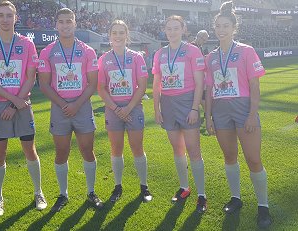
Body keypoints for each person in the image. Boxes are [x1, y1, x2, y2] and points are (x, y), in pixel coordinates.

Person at [0, 1, 47, 217]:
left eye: (9, 15)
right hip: (0, 105)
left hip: (23, 103)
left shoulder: (27, 44)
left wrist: (16, 104)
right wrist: (13, 102)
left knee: (30, 150)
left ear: (16, 18)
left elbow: (30, 77)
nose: (5, 19)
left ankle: (38, 192)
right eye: (1, 15)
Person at [204, 1, 271, 228]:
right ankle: (236, 198)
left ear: (234, 28)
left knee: (253, 159)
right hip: (221, 112)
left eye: (226, 26)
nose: (221, 30)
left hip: (243, 110)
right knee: (229, 157)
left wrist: (252, 114)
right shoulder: (211, 57)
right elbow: (209, 90)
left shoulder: (246, 51)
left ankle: (263, 206)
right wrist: (208, 116)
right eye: (218, 26)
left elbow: (254, 86)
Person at [38, 8, 103, 212]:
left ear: (75, 23)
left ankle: (91, 192)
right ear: (56, 25)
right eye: (61, 22)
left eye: (69, 21)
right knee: (61, 152)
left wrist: (76, 104)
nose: (65, 25)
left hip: (82, 107)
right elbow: (44, 84)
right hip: (59, 109)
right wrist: (64, 104)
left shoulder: (87, 51)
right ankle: (63, 194)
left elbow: (93, 84)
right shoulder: (47, 51)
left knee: (87, 150)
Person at [152, 15, 207, 213]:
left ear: (183, 29)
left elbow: (200, 83)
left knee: (194, 151)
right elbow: (157, 83)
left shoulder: (192, 50)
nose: (172, 32)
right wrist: (156, 108)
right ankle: (185, 188)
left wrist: (194, 108)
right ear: (165, 30)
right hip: (168, 104)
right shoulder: (159, 53)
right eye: (169, 28)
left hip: (187, 103)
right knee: (177, 149)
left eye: (176, 28)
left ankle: (202, 195)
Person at [97, 19, 152, 203]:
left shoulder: (136, 57)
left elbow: (142, 86)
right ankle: (117, 186)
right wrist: (115, 108)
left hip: (133, 109)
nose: (118, 36)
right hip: (113, 111)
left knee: (137, 148)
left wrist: (128, 108)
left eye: (122, 32)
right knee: (116, 149)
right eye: (115, 33)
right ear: (109, 36)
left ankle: (144, 186)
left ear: (127, 35)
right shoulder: (104, 59)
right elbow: (101, 88)